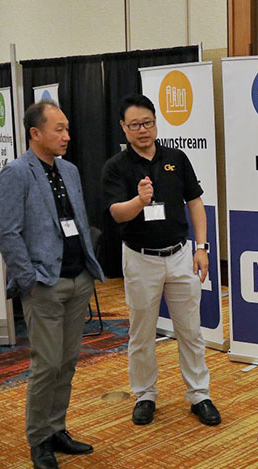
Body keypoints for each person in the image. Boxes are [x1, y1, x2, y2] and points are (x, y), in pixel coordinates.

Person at [0, 100, 104, 469]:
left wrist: (88, 267)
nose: (67, 136)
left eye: (68, 129)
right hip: (44, 285)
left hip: (77, 280)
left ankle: (57, 429)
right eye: (59, 129)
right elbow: (7, 233)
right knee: (46, 364)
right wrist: (30, 282)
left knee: (68, 360)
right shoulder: (16, 173)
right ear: (35, 133)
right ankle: (38, 438)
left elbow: (79, 218)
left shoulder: (69, 170)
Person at [101, 94, 220, 427]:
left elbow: (195, 203)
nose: (143, 130)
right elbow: (116, 214)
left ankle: (200, 394)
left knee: (191, 331)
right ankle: (145, 395)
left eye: (148, 122)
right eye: (135, 124)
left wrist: (202, 247)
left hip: (180, 254)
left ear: (156, 122)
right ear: (124, 127)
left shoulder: (176, 158)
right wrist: (139, 200)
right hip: (140, 259)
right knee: (142, 333)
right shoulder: (116, 167)